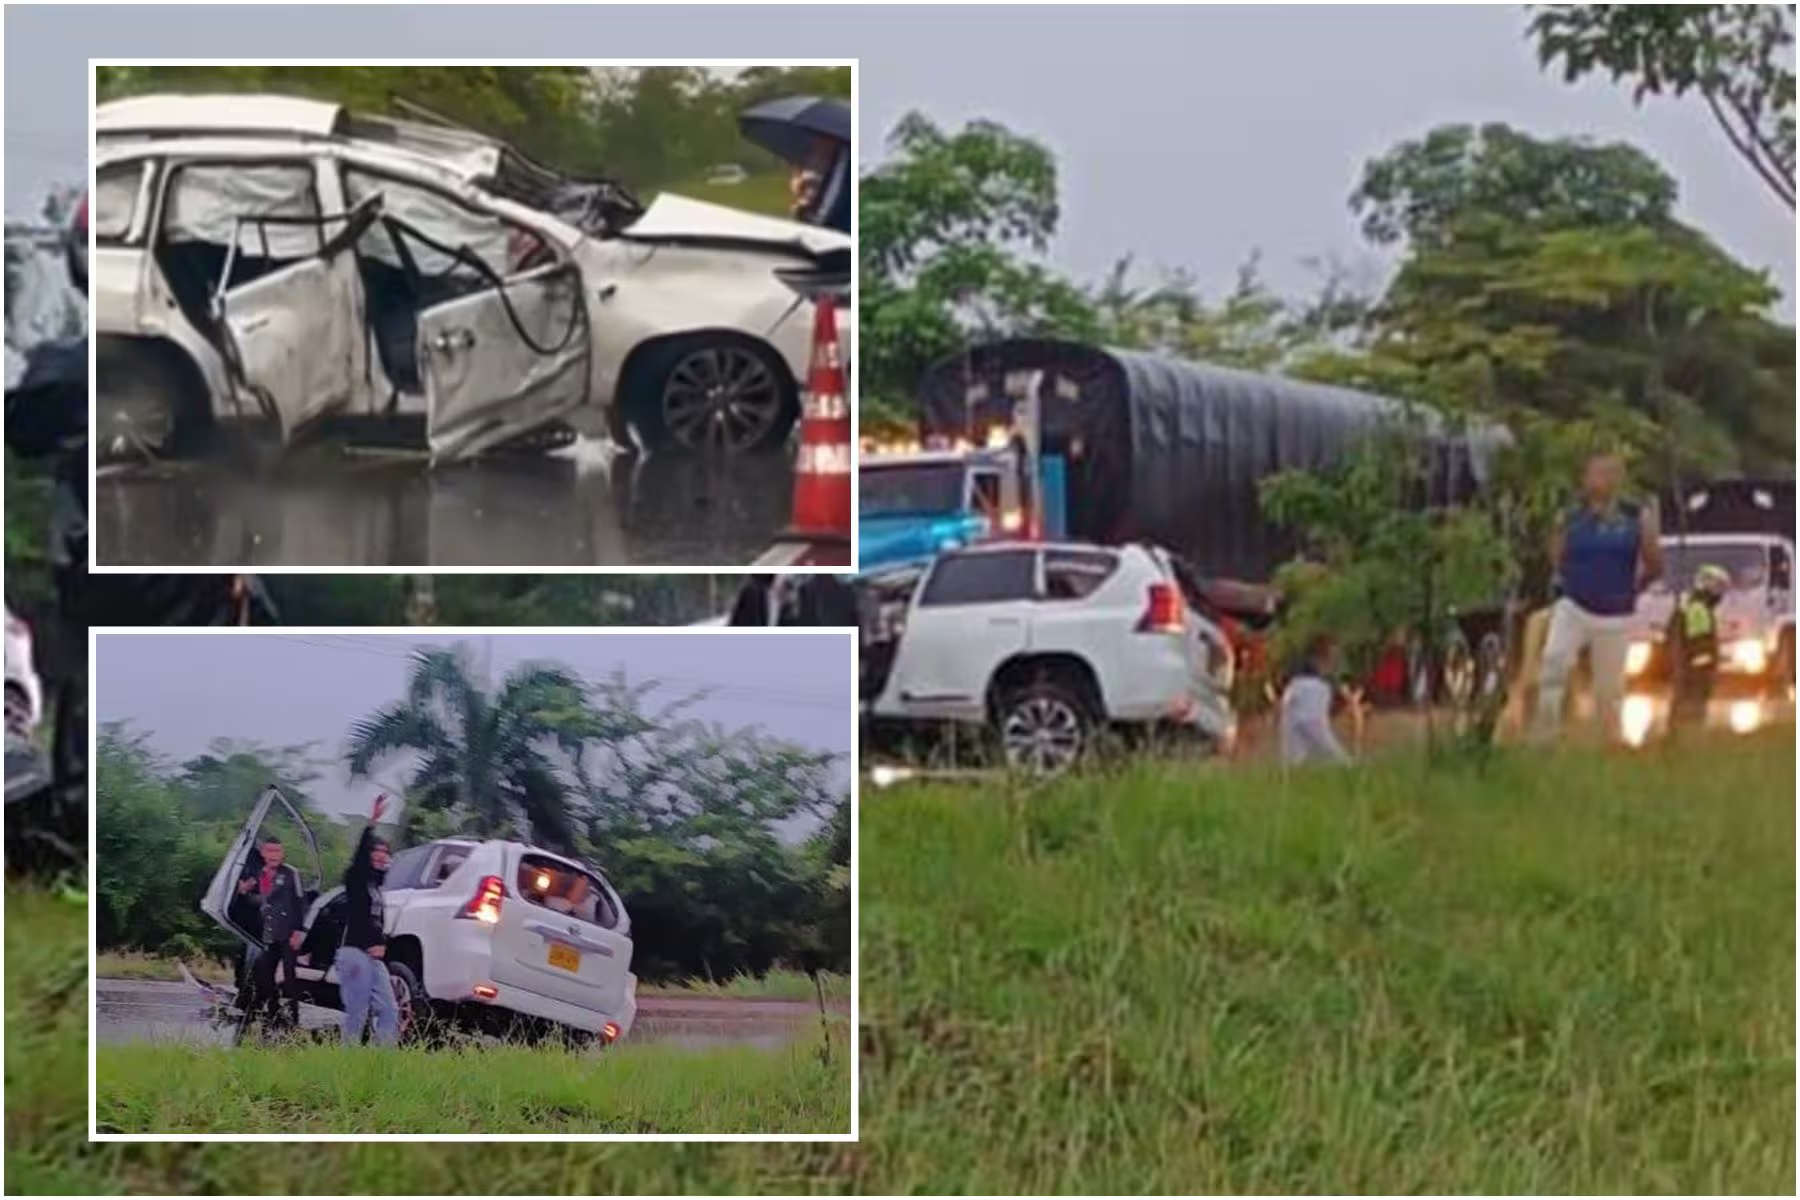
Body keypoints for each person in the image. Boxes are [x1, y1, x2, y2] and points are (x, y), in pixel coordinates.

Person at [1533, 453, 1664, 742]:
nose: (1596, 480)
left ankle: (1609, 740)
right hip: (1574, 604)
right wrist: (1564, 576)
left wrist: (1635, 587)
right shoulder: (1571, 516)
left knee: (1609, 689)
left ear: (1617, 480)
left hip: (1615, 612)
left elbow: (1655, 561)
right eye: (1592, 474)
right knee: (1553, 663)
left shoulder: (1635, 516)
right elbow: (1555, 551)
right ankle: (1544, 735)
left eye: (1604, 474)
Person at [339, 794, 400, 1047]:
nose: (381, 856)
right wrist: (373, 821)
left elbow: (377, 925)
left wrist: (382, 944)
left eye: (385, 853)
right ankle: (347, 1064)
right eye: (376, 852)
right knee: (358, 1012)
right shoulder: (356, 879)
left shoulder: (377, 888)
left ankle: (383, 1063)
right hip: (353, 952)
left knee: (390, 1009)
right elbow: (359, 858)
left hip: (374, 959)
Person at [237, 836, 307, 1027]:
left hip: (288, 934)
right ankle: (273, 1014)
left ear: (282, 853)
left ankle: (293, 1021)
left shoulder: (291, 873)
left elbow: (301, 902)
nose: (273, 855)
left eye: (277, 851)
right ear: (263, 853)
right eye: (270, 851)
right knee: (265, 977)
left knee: (289, 979)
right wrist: (243, 891)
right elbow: (259, 902)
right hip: (268, 935)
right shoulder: (258, 875)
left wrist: (299, 931)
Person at [1666, 563, 1731, 733]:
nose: (1720, 595)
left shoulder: (1687, 606)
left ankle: (1676, 741)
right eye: (1719, 589)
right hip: (1696, 675)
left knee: (1681, 709)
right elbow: (1700, 646)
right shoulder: (1698, 610)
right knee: (1692, 713)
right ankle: (1685, 744)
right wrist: (1708, 670)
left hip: (1686, 673)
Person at [1280, 637, 1354, 766]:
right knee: (1323, 747)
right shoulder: (1315, 680)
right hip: (1309, 710)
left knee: (1298, 754)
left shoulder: (1302, 679)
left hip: (1299, 707)